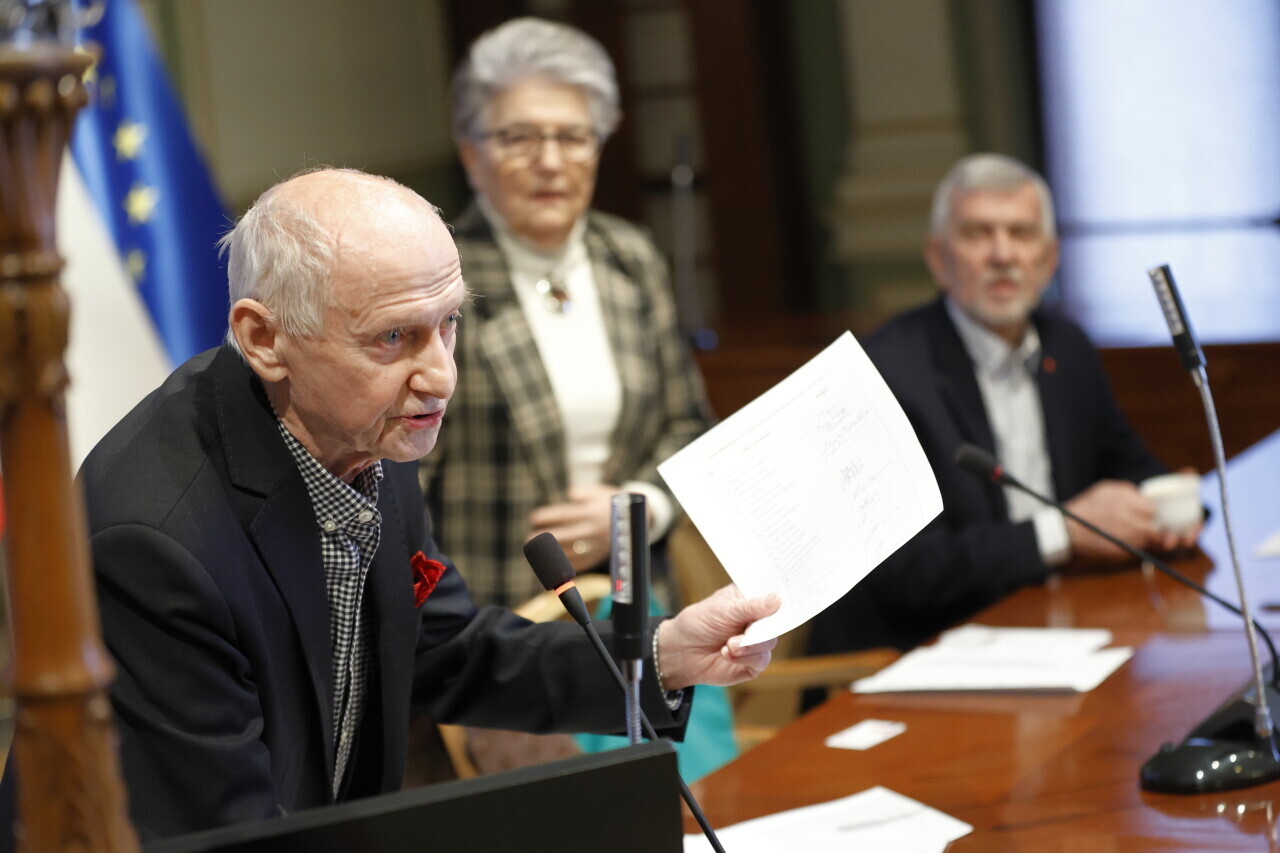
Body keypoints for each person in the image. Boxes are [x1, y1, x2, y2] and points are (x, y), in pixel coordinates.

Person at [13, 168, 776, 841]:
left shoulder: (366, 428)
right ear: (264, 338)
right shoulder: (155, 542)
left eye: (450, 323)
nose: (440, 375)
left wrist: (663, 654)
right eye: (393, 337)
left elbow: (446, 649)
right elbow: (227, 834)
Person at [419, 19, 735, 780]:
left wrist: (642, 507)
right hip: (503, 642)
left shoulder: (631, 258)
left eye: (573, 136)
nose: (551, 160)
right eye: (520, 137)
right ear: (472, 152)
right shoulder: (436, 277)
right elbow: (402, 480)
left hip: (641, 612)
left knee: (711, 807)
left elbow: (687, 423)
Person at [808, 153, 1197, 658]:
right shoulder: (881, 373)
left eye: (1021, 233)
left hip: (1056, 622)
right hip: (925, 650)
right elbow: (907, 571)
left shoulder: (1067, 348)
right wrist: (1064, 531)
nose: (1002, 254)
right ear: (937, 258)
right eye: (977, 234)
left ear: (1049, 260)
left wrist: (1176, 509)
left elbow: (1132, 466)